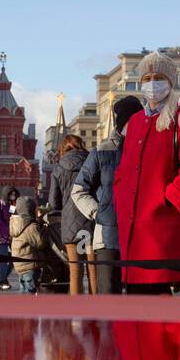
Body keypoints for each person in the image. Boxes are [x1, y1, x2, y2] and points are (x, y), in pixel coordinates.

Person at [113, 50, 180, 294]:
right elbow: (124, 167)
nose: (152, 82)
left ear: (170, 81)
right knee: (134, 299)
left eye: (158, 76)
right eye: (146, 78)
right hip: (133, 224)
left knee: (158, 295)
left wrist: (169, 198)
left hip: (163, 222)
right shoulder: (134, 121)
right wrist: (120, 194)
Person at [72, 96, 142, 294]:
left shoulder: (147, 149)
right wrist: (98, 212)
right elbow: (79, 190)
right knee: (109, 297)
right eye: (132, 121)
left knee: (140, 300)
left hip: (141, 236)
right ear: (122, 123)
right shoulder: (101, 151)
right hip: (108, 237)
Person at [49, 133, 93, 294]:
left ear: (63, 148)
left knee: (75, 273)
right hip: (91, 221)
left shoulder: (59, 168)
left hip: (70, 223)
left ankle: (77, 315)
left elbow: (54, 203)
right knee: (93, 271)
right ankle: (98, 313)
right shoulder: (92, 163)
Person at [9, 196, 45, 294]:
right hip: (30, 265)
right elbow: (40, 243)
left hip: (20, 264)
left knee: (23, 288)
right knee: (30, 290)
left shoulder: (17, 222)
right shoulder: (30, 226)